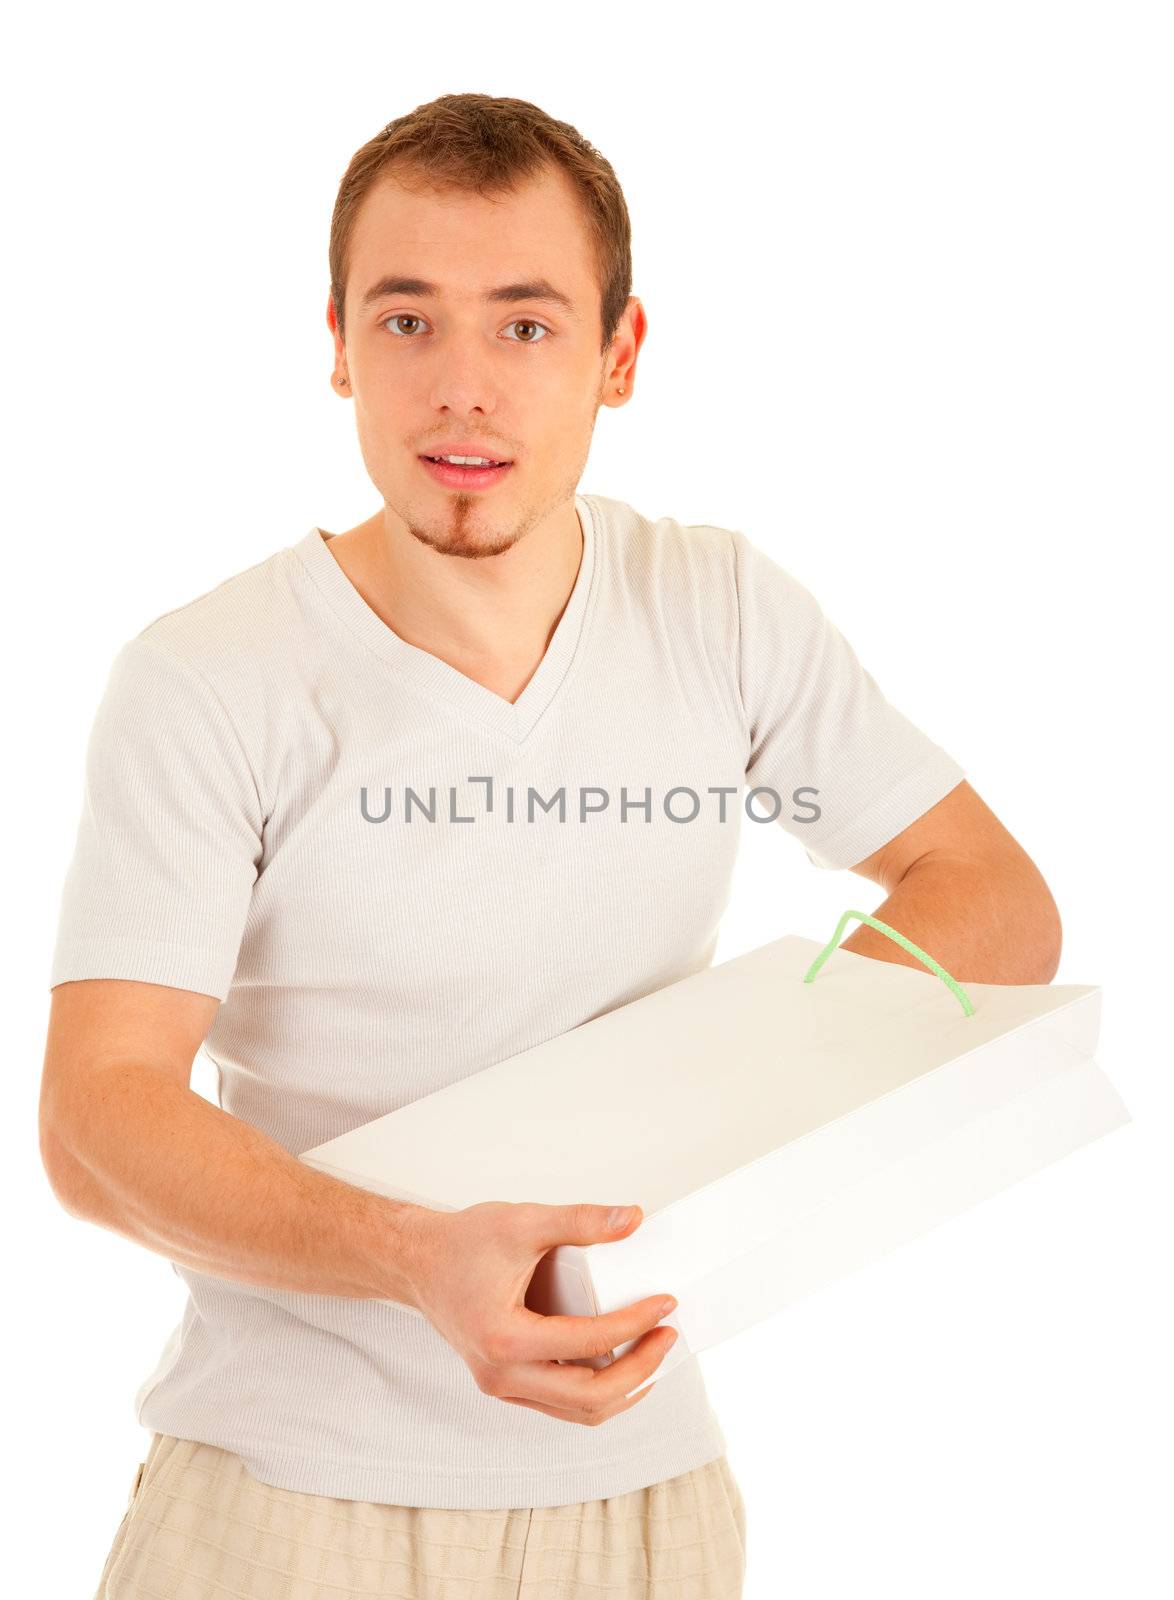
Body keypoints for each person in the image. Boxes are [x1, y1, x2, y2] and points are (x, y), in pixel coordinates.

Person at [40, 93, 1061, 1600]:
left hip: (643, 1499)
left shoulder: (716, 607)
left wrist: (730, 1095)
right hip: (284, 1502)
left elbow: (992, 896)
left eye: (523, 327)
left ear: (618, 353)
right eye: (406, 324)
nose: (461, 391)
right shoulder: (211, 675)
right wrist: (407, 1254)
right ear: (334, 343)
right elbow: (96, 1119)